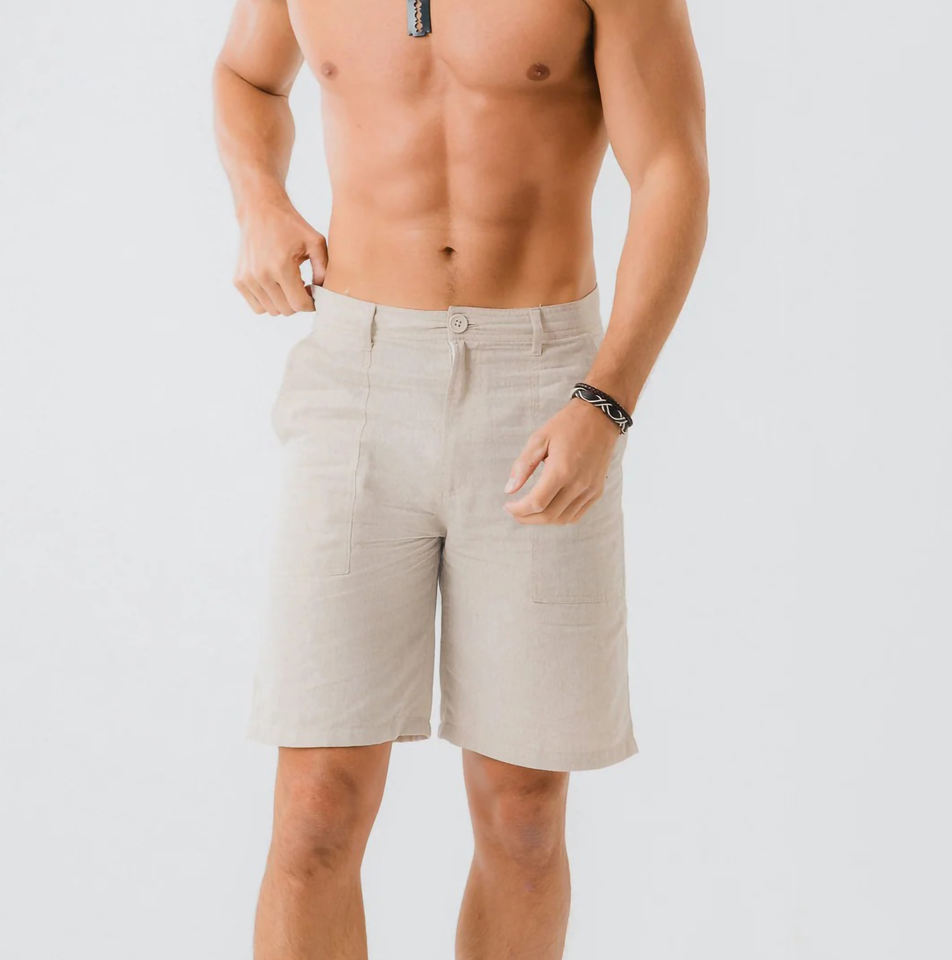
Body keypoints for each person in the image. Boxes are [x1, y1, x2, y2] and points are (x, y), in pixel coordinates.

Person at [213, 0, 707, 956]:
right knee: (315, 812)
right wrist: (258, 198)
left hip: (545, 382)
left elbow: (672, 168)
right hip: (356, 378)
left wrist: (606, 400)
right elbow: (245, 75)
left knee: (523, 817)